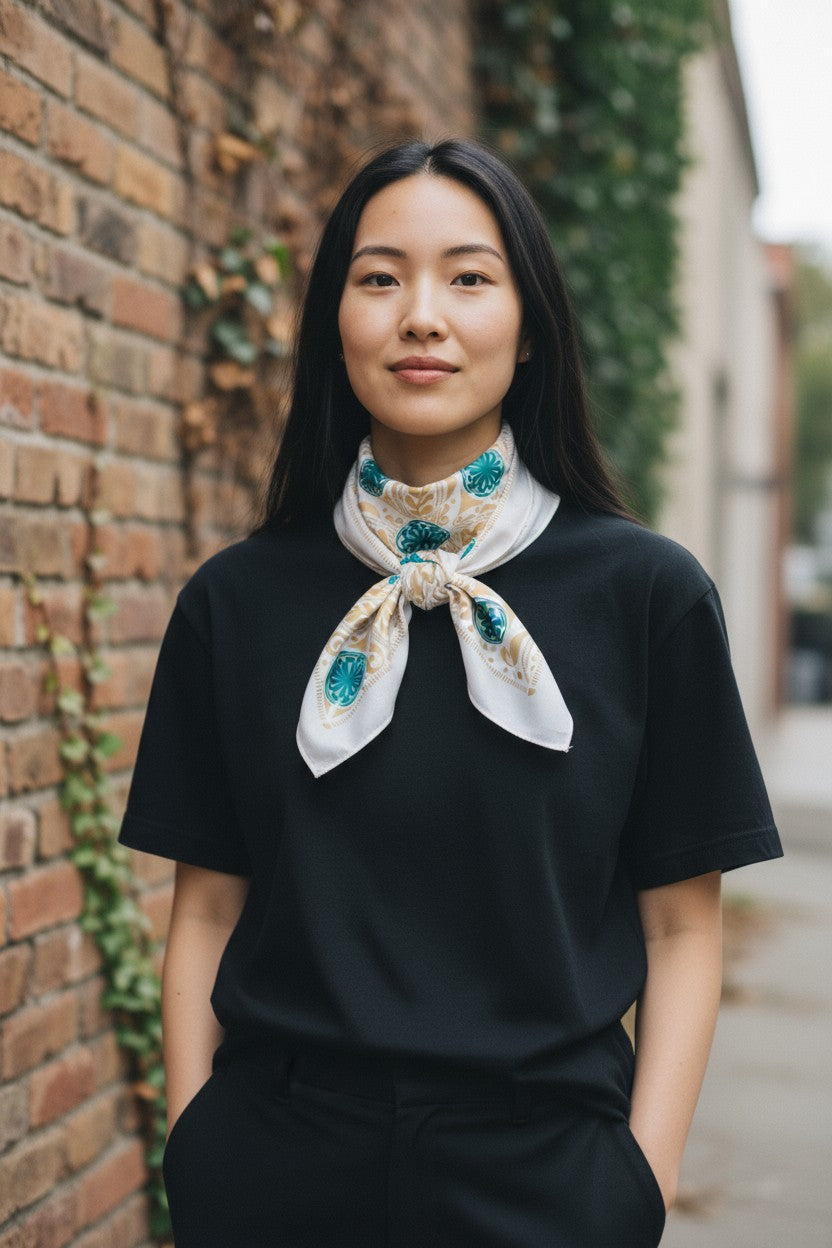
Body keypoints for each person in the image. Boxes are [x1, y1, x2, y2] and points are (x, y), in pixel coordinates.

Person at [119, 138, 783, 1247]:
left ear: (529, 332)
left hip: (546, 1183)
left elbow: (679, 930)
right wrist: (200, 1152)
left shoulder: (646, 597)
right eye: (379, 278)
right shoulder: (236, 603)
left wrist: (637, 1185)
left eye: (469, 278)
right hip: (272, 1176)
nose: (420, 315)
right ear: (336, 320)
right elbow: (206, 909)